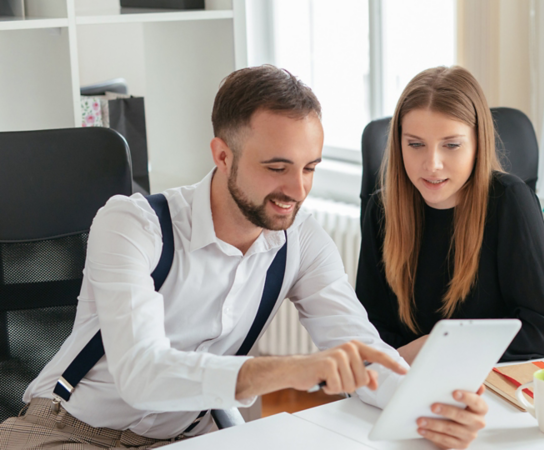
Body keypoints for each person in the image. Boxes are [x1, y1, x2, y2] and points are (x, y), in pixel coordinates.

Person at [0, 65, 488, 450]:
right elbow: (142, 374)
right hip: (69, 432)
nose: (296, 190)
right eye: (276, 167)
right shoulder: (132, 224)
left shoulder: (302, 239)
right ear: (222, 155)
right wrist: (293, 370)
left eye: (309, 168)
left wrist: (432, 412)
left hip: (188, 438)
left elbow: (361, 357)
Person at [356, 66, 544, 365]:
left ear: (478, 143)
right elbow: (369, 330)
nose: (432, 165)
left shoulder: (509, 202)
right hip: (402, 384)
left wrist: (438, 345)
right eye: (415, 144)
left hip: (488, 385)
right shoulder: (383, 210)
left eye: (451, 145)